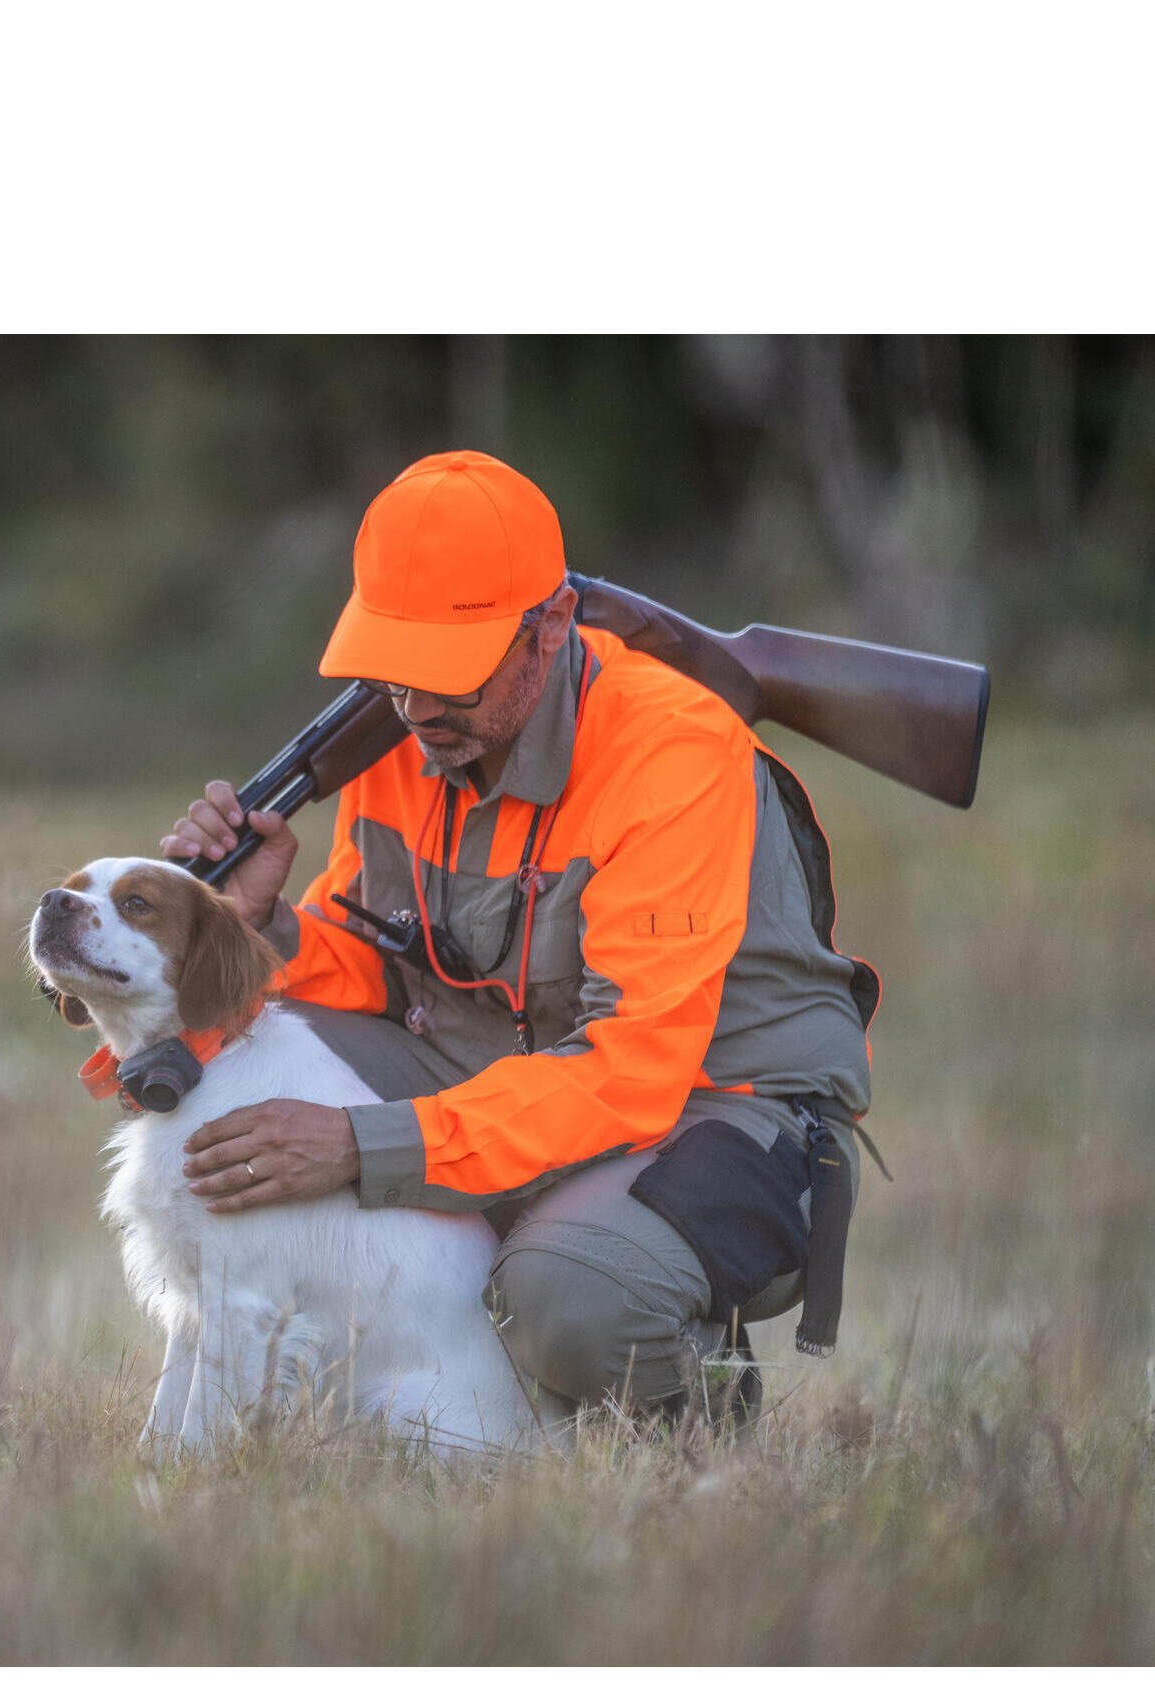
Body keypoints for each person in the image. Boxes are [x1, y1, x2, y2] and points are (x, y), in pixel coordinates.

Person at [161, 449, 878, 1436]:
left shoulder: (670, 751)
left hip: (723, 1107)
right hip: (524, 1062)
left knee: (569, 1293)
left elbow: (628, 1074)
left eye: (448, 673)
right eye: (396, 668)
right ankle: (402, 1396)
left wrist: (360, 1144)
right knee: (262, 1052)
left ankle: (693, 1431)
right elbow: (378, 969)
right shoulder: (403, 732)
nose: (416, 708)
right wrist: (267, 923)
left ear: (549, 629)